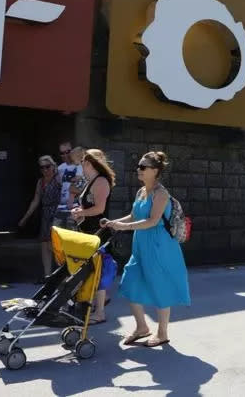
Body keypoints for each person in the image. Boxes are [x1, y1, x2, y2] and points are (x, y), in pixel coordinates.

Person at [102, 151, 191, 347]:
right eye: (139, 166)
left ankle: (162, 333)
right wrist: (113, 222)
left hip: (159, 246)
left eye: (143, 167)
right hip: (141, 245)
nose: (139, 170)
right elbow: (134, 216)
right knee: (130, 282)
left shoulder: (161, 194)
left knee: (160, 286)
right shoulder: (141, 192)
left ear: (155, 171)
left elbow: (152, 221)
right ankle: (142, 327)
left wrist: (123, 227)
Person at [70, 149, 116, 324]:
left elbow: (99, 209)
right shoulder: (92, 181)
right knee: (93, 271)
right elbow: (90, 208)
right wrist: (80, 213)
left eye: (83, 161)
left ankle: (100, 312)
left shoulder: (101, 181)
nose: (81, 164)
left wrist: (81, 212)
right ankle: (96, 305)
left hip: (98, 233)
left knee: (98, 271)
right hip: (89, 231)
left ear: (89, 163)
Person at [18, 156, 62, 281]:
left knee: (54, 244)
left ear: (53, 166)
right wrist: (25, 217)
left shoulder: (58, 179)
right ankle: (47, 276)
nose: (45, 170)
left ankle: (60, 273)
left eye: (47, 166)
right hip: (46, 213)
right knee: (44, 244)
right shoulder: (41, 182)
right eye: (42, 167)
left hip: (57, 212)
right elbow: (36, 200)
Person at [57, 141, 83, 230]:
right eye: (62, 153)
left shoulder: (81, 166)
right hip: (61, 207)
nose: (65, 155)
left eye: (68, 152)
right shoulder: (59, 168)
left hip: (76, 207)